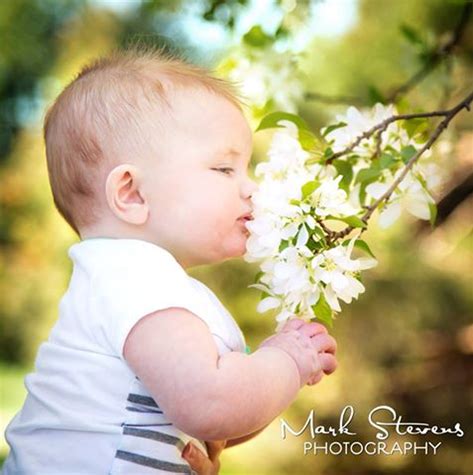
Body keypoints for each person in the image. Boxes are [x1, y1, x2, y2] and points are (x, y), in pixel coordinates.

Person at [2, 45, 338, 475]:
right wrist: (288, 360)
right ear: (132, 194)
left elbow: (218, 425)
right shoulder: (135, 279)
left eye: (246, 168)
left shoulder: (138, 282)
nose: (250, 187)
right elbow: (213, 406)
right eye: (223, 169)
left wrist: (272, 372)